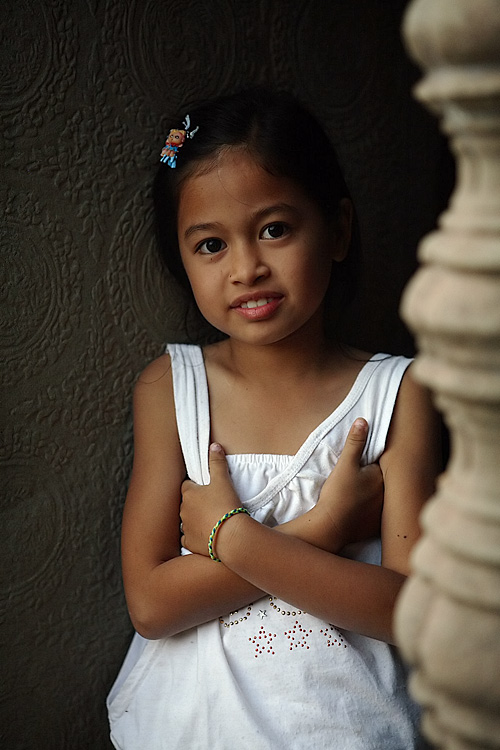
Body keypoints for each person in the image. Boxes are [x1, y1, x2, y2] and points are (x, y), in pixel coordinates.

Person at [107, 88, 441, 749]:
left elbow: (412, 614)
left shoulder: (397, 395)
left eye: (274, 230)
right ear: (182, 260)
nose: (247, 269)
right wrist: (323, 527)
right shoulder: (172, 389)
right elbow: (150, 606)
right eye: (210, 245)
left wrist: (234, 539)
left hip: (345, 725)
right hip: (195, 726)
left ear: (338, 229)